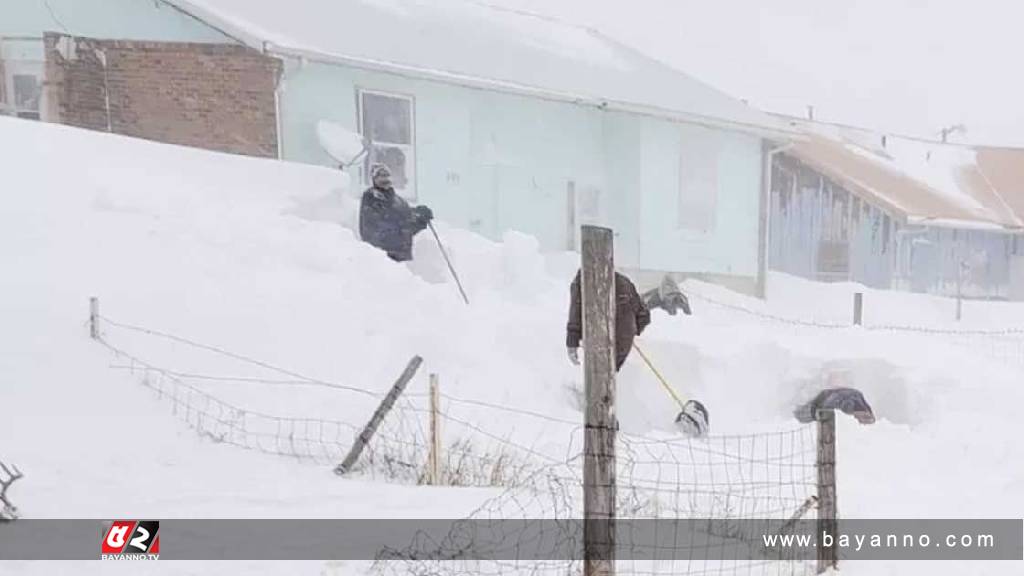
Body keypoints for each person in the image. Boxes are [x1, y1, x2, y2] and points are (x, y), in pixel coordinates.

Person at [566, 269, 650, 371]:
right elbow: (644, 315)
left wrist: (572, 341)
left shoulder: (582, 281)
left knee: (599, 375)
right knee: (609, 375)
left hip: (598, 341)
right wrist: (634, 328)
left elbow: (575, 311)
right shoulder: (624, 282)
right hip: (623, 342)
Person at [359, 164, 434, 262]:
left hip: (403, 258)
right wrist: (407, 222)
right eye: (380, 176)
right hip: (383, 259)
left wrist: (420, 219)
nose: (385, 179)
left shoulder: (399, 202)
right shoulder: (371, 198)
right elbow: (376, 227)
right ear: (374, 179)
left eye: (387, 175)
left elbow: (407, 226)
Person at [793, 387, 875, 424]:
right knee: (801, 416)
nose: (860, 423)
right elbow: (829, 404)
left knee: (803, 412)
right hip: (821, 400)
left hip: (825, 395)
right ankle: (793, 414)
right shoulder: (849, 406)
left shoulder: (859, 399)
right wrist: (822, 412)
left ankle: (795, 411)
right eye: (861, 421)